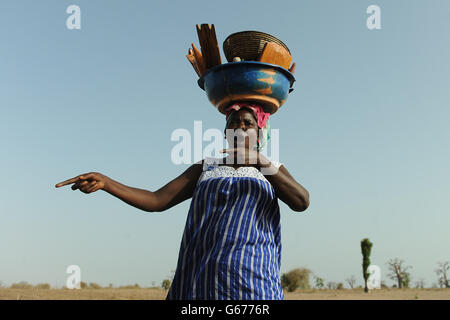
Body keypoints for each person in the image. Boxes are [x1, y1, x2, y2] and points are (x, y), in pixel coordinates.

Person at [55, 102, 310, 300]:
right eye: (233, 123)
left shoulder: (271, 168)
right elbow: (157, 200)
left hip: (253, 279)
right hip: (199, 277)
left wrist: (259, 161)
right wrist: (107, 182)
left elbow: (301, 201)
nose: (240, 127)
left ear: (259, 132)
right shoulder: (206, 167)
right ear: (224, 133)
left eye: (247, 123)